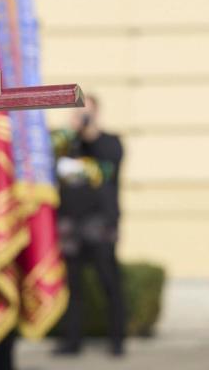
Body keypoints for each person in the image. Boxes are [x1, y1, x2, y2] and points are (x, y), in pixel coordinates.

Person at [52, 95, 126, 357]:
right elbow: (50, 157)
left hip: (100, 223)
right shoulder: (68, 143)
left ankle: (117, 341)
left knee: (109, 282)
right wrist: (70, 134)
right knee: (73, 287)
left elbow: (107, 168)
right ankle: (72, 341)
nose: (81, 117)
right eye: (77, 113)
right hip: (70, 223)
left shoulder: (109, 142)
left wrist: (90, 133)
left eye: (87, 112)